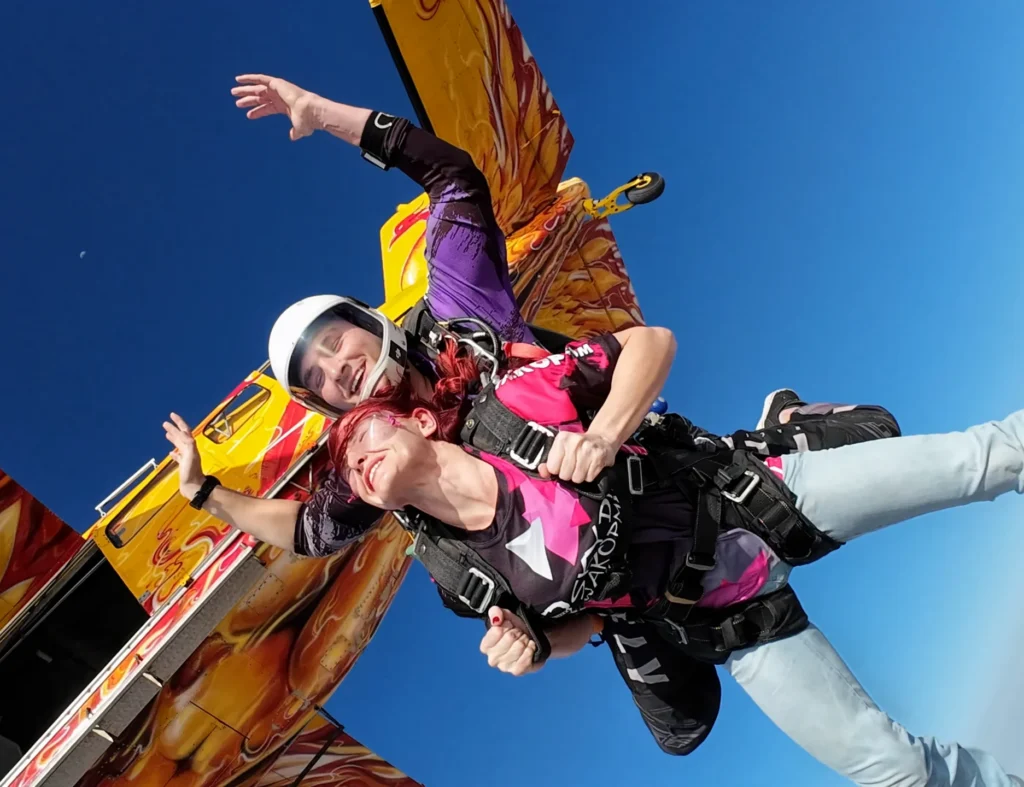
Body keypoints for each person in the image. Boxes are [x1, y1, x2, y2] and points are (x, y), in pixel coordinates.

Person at [164, 74, 902, 762]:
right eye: (319, 380)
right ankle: (628, 607)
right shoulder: (379, 460)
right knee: (683, 727)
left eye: (334, 344)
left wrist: (320, 114)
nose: (337, 368)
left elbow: (453, 178)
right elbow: (304, 529)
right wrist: (206, 494)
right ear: (336, 410)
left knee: (875, 435)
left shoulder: (456, 318)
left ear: (368, 322)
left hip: (655, 460)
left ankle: (776, 427)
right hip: (603, 560)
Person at [329, 326, 1024, 787]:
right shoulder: (458, 575)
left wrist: (602, 435)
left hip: (758, 498)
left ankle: (788, 426)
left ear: (420, 420)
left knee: (985, 460)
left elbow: (652, 342)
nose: (359, 458)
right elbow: (587, 623)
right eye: (348, 467)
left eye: (366, 436)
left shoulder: (516, 403)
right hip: (729, 621)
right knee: (896, 770)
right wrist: (538, 648)